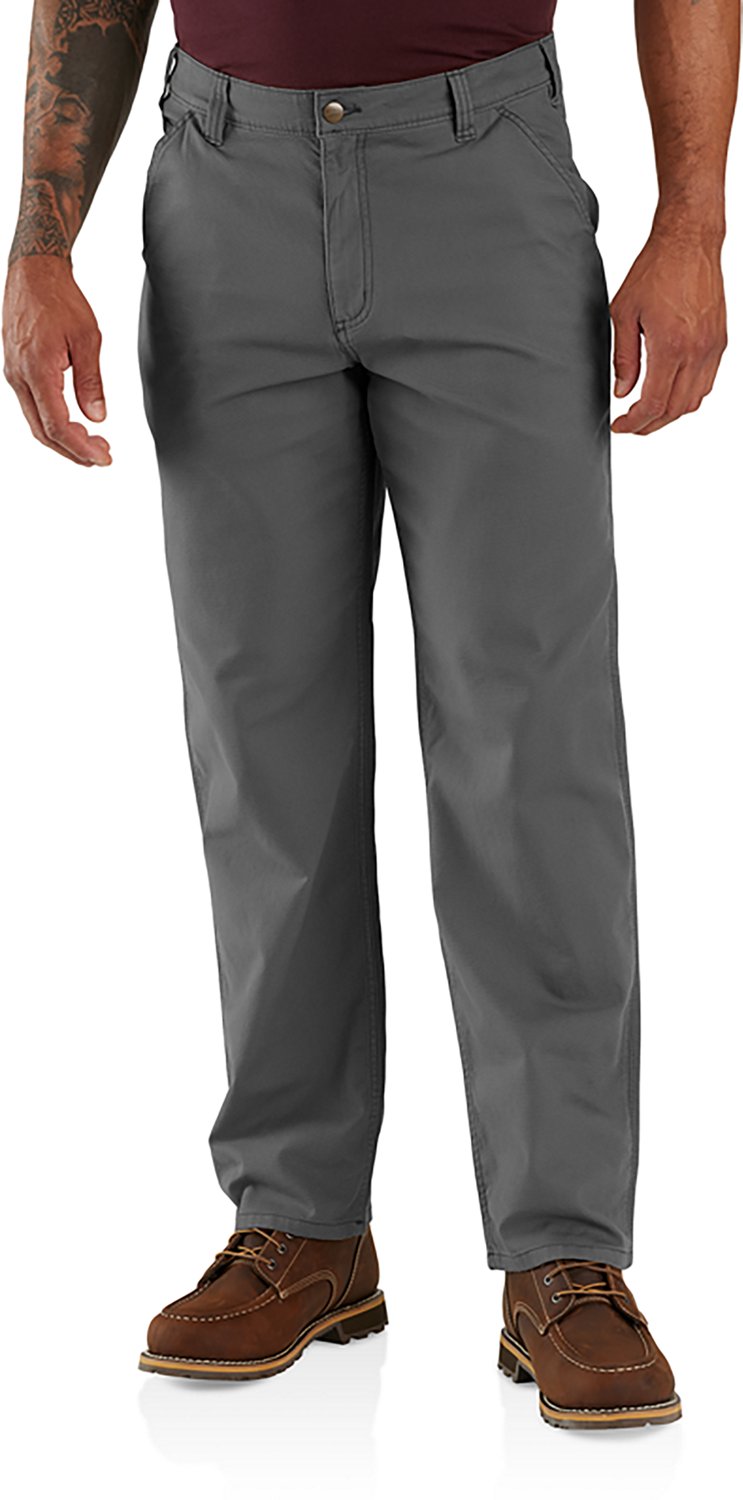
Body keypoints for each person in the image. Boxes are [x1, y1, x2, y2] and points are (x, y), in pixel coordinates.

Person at [3, 0, 737, 1429]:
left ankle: (565, 1249)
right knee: (261, 737)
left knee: (532, 740)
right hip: (225, 184)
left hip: (485, 168)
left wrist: (693, 225)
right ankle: (302, 1224)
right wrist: (40, 243)